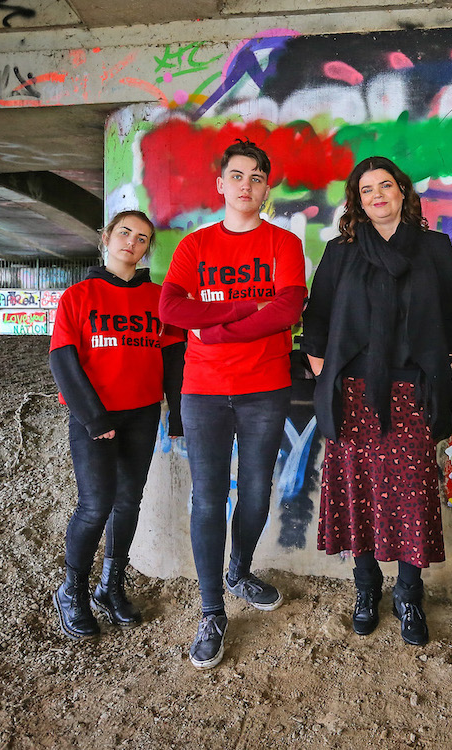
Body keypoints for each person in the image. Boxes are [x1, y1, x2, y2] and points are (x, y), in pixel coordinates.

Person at [302, 156, 452, 648]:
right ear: (357, 199)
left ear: (402, 193)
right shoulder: (340, 252)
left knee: (412, 491)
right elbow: (317, 319)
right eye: (366, 188)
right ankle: (367, 587)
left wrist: (445, 364)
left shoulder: (435, 249)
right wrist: (324, 371)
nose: (377, 195)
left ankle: (409, 593)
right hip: (352, 393)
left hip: (412, 393)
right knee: (359, 490)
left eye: (386, 186)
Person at [159, 139, 308, 669]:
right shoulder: (195, 246)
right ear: (221, 184)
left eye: (257, 178)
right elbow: (170, 306)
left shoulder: (283, 244)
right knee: (207, 498)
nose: (247, 185)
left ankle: (239, 570)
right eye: (237, 176)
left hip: (264, 388)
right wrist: (251, 308)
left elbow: (289, 306)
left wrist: (216, 324)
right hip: (202, 391)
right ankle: (212, 610)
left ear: (267, 189)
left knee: (254, 495)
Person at [49, 209, 185, 639]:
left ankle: (110, 587)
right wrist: (94, 417)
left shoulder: (159, 298)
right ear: (106, 237)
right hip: (96, 416)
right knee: (95, 505)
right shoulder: (78, 296)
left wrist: (178, 414)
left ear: (148, 248)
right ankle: (71, 591)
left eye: (142, 238)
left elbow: (173, 360)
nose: (132, 242)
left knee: (129, 502)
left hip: (143, 414)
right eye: (125, 233)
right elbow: (63, 361)